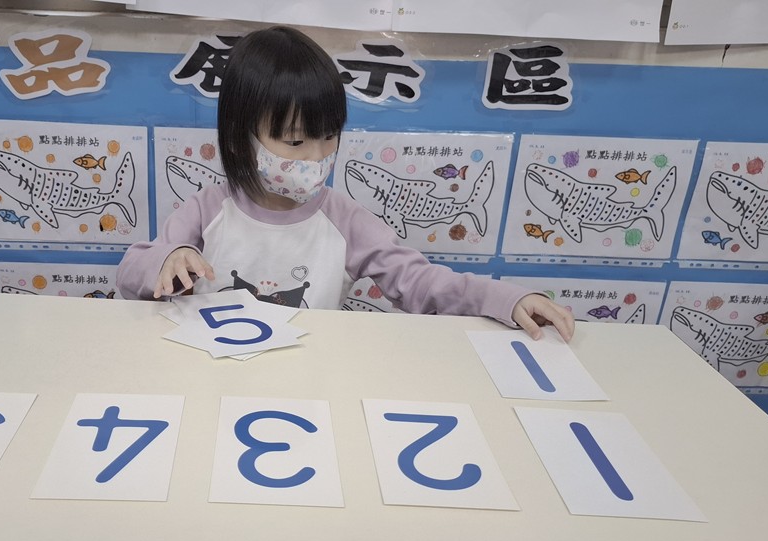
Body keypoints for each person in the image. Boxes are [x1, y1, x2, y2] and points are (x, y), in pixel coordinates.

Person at [117, 26, 574, 341]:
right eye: (295, 141)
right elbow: (131, 273)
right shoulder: (206, 210)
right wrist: (167, 261)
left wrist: (505, 298)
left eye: (329, 136)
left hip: (314, 376)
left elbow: (419, 282)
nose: (317, 157)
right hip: (214, 371)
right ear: (240, 139)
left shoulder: (344, 220)